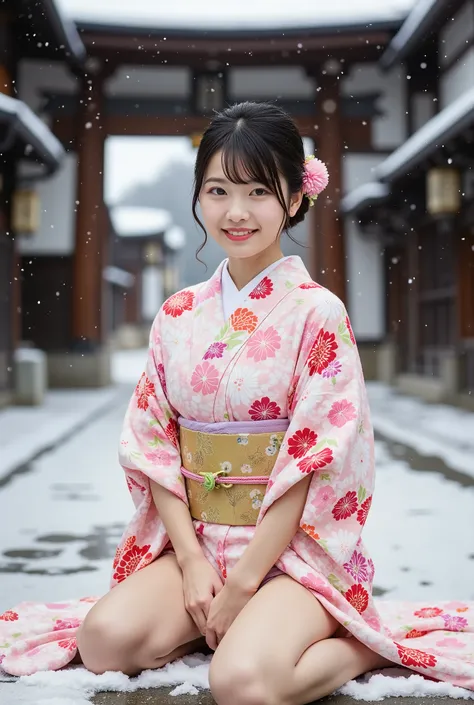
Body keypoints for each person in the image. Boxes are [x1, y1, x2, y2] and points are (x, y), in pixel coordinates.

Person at [1, 102, 473, 702]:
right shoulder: (178, 314)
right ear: (198, 196)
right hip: (197, 541)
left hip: (292, 554)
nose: (237, 212)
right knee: (103, 642)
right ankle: (223, 623)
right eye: (218, 190)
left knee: (244, 685)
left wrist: (244, 582)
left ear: (295, 199)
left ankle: (358, 645)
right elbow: (154, 446)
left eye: (257, 191)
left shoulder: (317, 314)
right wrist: (194, 564)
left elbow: (313, 461)